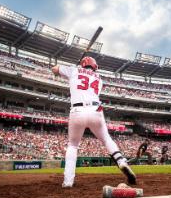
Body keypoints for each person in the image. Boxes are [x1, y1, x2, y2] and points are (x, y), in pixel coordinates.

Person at [51, 56, 136, 188]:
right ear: (94, 66)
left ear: (83, 64)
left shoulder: (74, 70)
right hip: (96, 109)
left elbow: (55, 69)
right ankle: (121, 161)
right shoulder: (99, 78)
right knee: (107, 139)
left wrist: (64, 71)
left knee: (73, 145)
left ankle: (68, 181)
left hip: (77, 110)